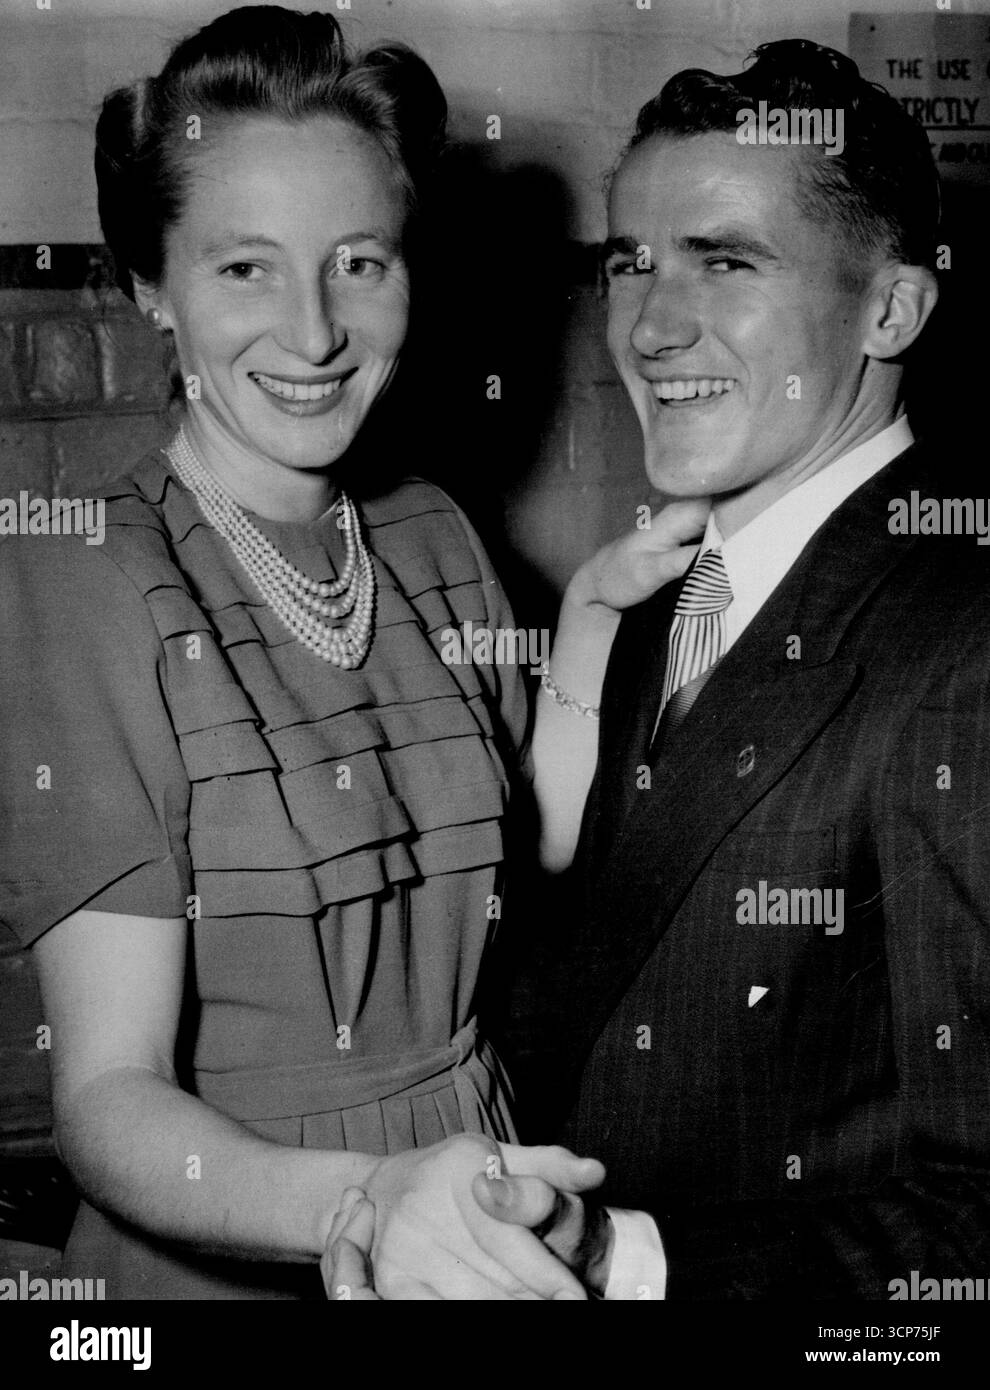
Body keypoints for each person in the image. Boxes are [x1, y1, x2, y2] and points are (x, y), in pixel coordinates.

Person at [328, 38, 990, 1299]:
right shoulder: (662, 598)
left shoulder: (963, 641)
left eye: (726, 262)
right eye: (631, 261)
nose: (651, 322)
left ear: (893, 308)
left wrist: (615, 1256)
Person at [0, 5, 623, 1301]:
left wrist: (595, 620)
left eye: (357, 261)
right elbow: (108, 1096)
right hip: (237, 1248)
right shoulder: (86, 575)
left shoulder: (432, 531)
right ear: (147, 286)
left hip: (474, 1207)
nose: (316, 329)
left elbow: (542, 844)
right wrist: (365, 1201)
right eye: (243, 268)